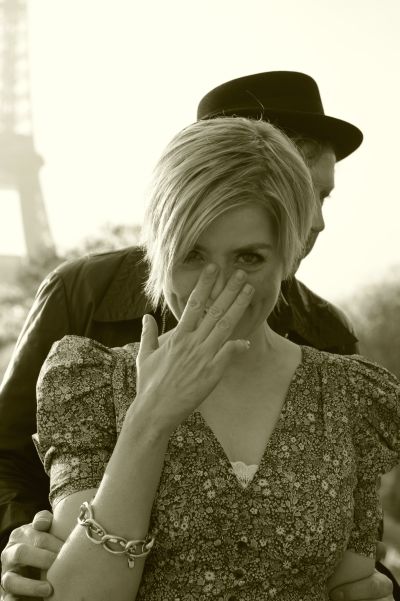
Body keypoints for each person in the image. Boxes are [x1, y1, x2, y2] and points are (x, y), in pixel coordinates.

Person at [0, 71, 396, 600]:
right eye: (192, 253)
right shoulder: (85, 310)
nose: (316, 220)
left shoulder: (333, 345)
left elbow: (351, 555)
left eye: (250, 256)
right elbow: (11, 458)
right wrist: (30, 546)